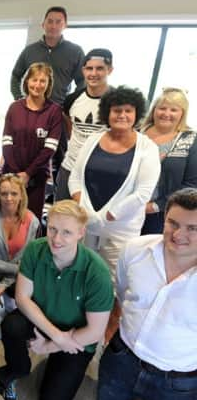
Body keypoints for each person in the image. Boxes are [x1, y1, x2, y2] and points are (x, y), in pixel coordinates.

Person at [0, 200, 113, 400]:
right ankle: (18, 367)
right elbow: (22, 298)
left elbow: (95, 332)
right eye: (52, 229)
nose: (56, 239)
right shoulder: (35, 250)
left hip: (77, 337)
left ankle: (57, 360)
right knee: (12, 325)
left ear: (81, 233)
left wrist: (51, 345)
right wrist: (57, 335)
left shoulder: (97, 273)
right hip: (45, 322)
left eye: (66, 232)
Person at [97, 188, 197, 400]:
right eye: (173, 223)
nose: (178, 234)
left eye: (193, 228)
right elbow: (122, 295)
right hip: (122, 357)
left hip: (178, 381)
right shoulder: (135, 250)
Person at [69, 86, 160, 275]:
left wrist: (108, 215)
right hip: (85, 223)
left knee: (112, 281)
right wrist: (85, 211)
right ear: (107, 113)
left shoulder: (147, 148)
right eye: (117, 110)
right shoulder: (93, 140)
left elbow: (143, 193)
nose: (122, 115)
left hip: (121, 231)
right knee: (80, 273)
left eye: (128, 111)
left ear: (137, 114)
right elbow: (75, 178)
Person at [2, 62, 62, 220]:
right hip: (12, 176)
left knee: (31, 221)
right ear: (26, 81)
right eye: (34, 79)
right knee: (8, 218)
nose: (38, 85)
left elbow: (50, 148)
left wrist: (28, 174)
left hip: (37, 178)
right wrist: (17, 174)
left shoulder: (54, 111)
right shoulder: (14, 108)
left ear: (49, 84)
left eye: (43, 81)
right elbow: (7, 143)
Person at [54, 49, 113, 201]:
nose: (94, 73)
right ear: (83, 70)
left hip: (100, 172)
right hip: (70, 169)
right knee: (62, 218)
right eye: (89, 68)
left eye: (100, 68)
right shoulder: (72, 99)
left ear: (110, 70)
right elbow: (69, 129)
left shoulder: (118, 101)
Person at [140, 88, 197, 234]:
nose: (166, 114)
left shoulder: (190, 140)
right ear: (154, 110)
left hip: (160, 215)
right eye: (162, 108)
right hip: (123, 209)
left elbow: (191, 185)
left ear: (182, 114)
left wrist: (155, 206)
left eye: (173, 110)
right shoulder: (136, 131)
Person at [10, 6, 84, 106]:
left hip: (60, 110)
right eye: (50, 21)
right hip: (32, 111)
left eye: (58, 22)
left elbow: (83, 81)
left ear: (65, 25)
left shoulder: (76, 51)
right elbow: (15, 76)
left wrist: (71, 103)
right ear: (43, 24)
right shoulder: (29, 50)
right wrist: (19, 99)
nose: (53, 26)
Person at [0, 174, 40, 288]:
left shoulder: (33, 222)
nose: (9, 198)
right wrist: (16, 269)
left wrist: (7, 282)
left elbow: (27, 259)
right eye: (4, 194)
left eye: (14, 194)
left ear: (21, 195)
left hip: (15, 280)